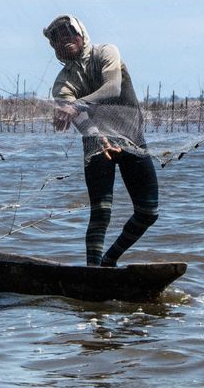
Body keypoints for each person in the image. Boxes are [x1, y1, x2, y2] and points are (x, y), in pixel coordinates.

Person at [45, 14, 159, 267]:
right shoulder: (63, 82)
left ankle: (109, 261)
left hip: (131, 138)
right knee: (100, 214)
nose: (65, 41)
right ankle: (93, 272)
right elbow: (78, 119)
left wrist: (77, 104)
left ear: (81, 34)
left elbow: (112, 88)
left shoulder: (106, 53)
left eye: (69, 34)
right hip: (97, 144)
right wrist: (98, 137)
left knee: (148, 212)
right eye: (58, 39)